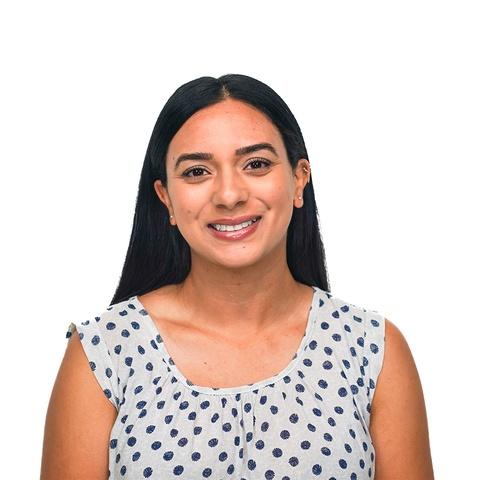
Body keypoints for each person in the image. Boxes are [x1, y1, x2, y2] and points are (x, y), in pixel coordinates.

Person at [40, 74, 434, 479]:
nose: (229, 195)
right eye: (197, 171)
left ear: (299, 178)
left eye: (256, 164)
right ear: (166, 198)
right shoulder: (104, 352)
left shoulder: (371, 348)